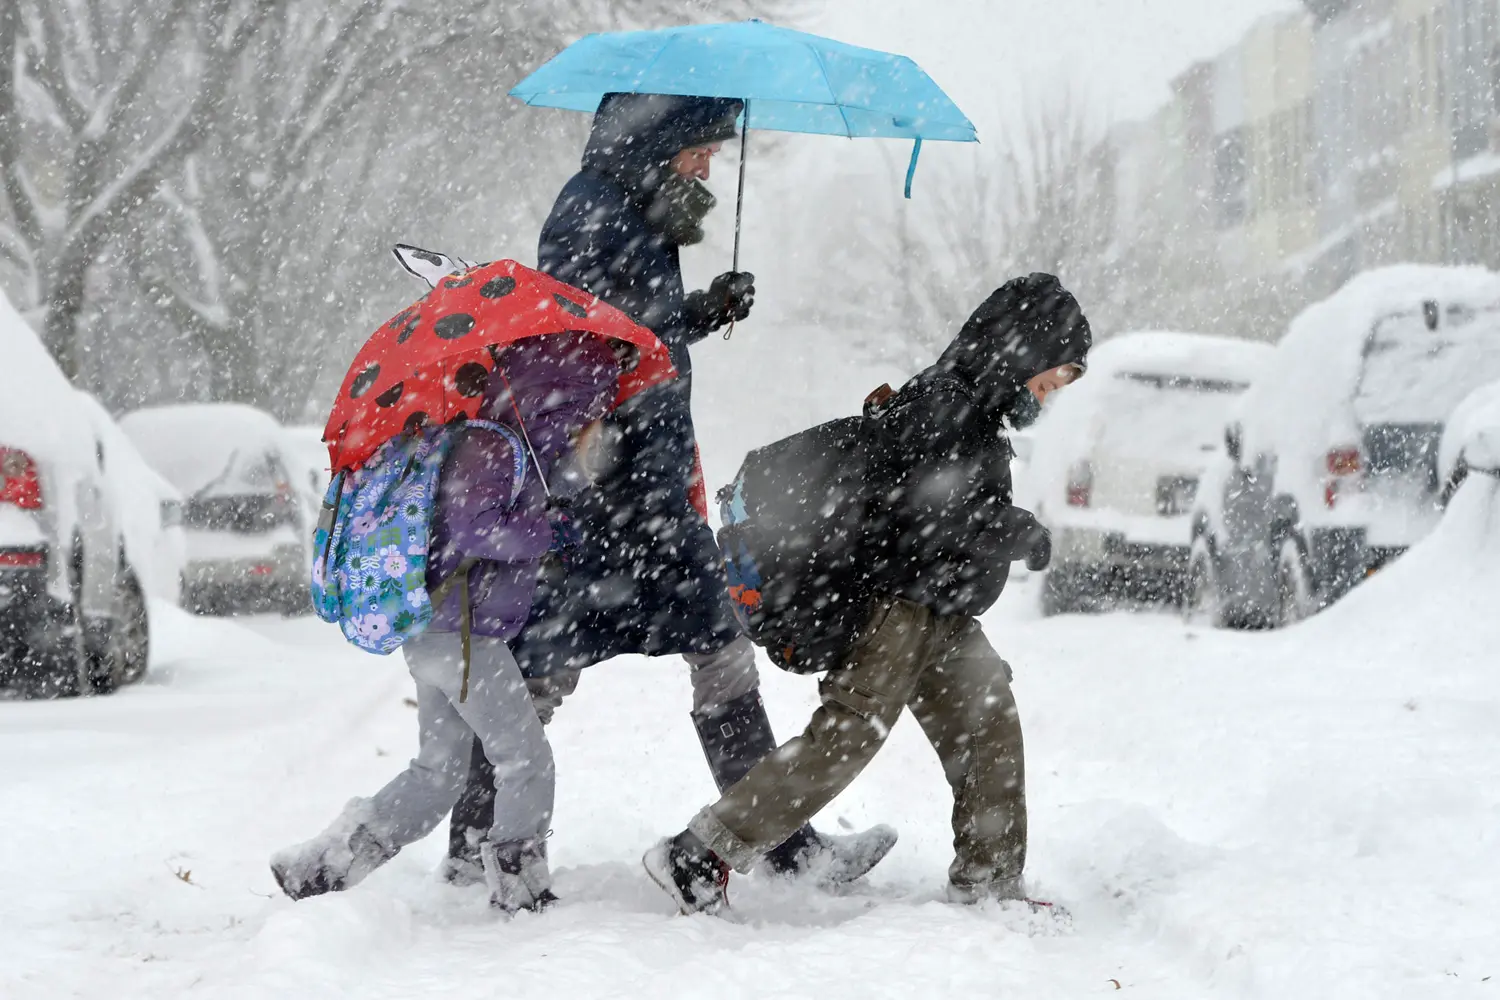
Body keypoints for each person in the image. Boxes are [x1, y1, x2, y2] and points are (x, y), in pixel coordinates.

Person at [444, 92, 895, 886]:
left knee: (714, 653)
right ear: (662, 143)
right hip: (602, 494)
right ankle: (475, 846)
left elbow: (632, 329)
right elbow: (581, 339)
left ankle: (782, 846)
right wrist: (677, 318)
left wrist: (694, 312)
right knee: (545, 672)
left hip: (641, 485)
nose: (709, 165)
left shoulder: (635, 205)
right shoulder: (593, 211)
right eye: (701, 149)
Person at [642, 273, 1092, 915]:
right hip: (896, 609)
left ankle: (990, 886)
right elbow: (920, 510)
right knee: (844, 739)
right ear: (1020, 353)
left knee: (989, 724)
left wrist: (994, 530)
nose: (1044, 399)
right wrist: (1009, 528)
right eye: (1046, 381)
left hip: (945, 611)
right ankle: (699, 852)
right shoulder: (941, 401)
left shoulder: (980, 412)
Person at [270, 332, 621, 914]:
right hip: (464, 638)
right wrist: (548, 534)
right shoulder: (491, 445)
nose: (591, 417)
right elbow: (474, 530)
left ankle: (322, 865)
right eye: (585, 403)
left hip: (443, 634)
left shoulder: (511, 445)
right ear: (555, 397)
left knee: (437, 774)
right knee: (524, 761)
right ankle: (520, 885)